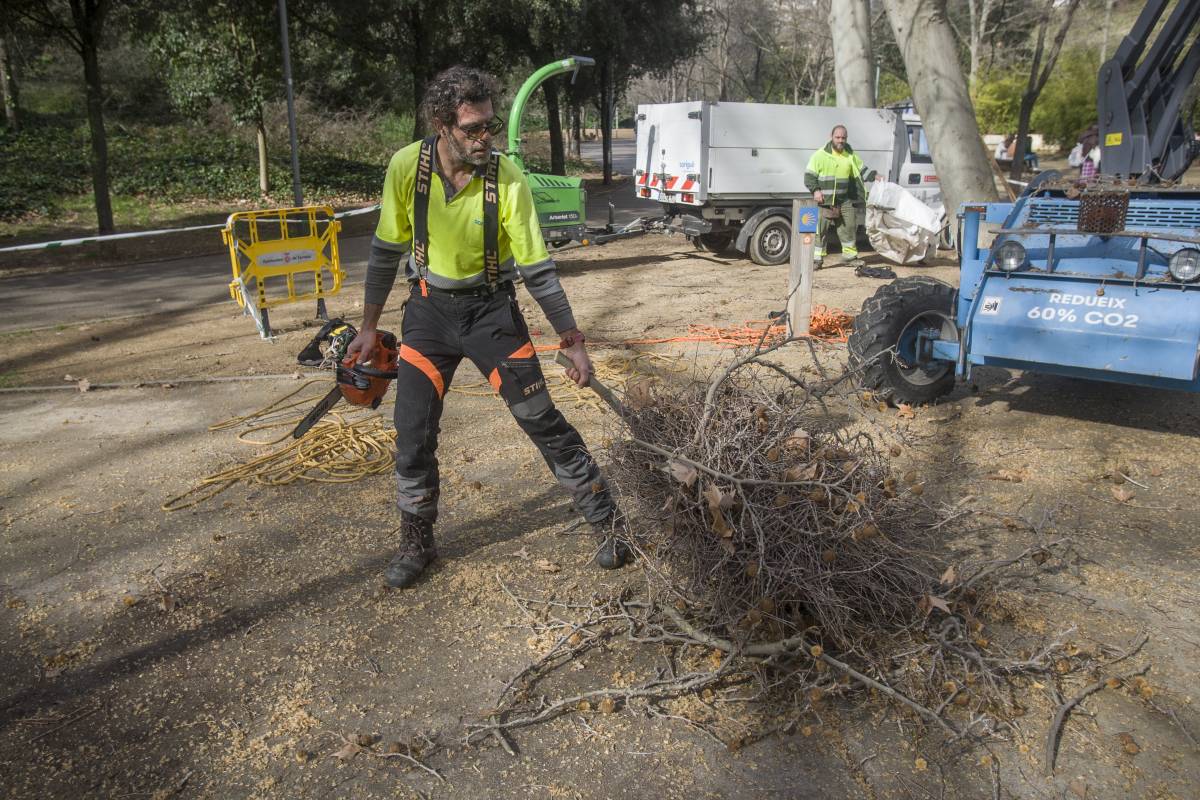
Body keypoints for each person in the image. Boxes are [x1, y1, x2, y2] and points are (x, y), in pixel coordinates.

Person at [348, 66, 630, 589]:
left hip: (491, 316)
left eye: (490, 127)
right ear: (441, 124)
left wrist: (572, 341)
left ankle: (609, 523)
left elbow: (538, 270)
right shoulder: (407, 167)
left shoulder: (508, 178)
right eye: (472, 128)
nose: (485, 139)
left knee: (541, 420)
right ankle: (417, 543)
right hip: (429, 316)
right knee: (411, 434)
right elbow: (386, 252)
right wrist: (368, 326)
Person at [804, 124, 883, 267]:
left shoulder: (850, 155)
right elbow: (809, 176)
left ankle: (850, 258)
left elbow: (861, 170)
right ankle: (816, 260)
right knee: (818, 231)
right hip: (825, 201)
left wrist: (875, 175)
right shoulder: (820, 155)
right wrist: (816, 190)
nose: (840, 140)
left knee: (849, 227)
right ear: (831, 137)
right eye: (838, 137)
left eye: (843, 138)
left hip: (844, 200)